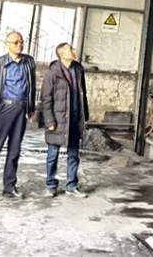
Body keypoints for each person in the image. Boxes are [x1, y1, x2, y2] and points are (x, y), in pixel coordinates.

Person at [0, 31, 36, 201]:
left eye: (22, 42)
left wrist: (30, 107)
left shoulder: (29, 61)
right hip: (4, 108)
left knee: (15, 150)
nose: (20, 45)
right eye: (16, 42)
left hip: (21, 109)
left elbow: (32, 85)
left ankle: (9, 187)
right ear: (7, 44)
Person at [40, 43, 90, 198]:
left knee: (74, 154)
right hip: (58, 120)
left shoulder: (78, 70)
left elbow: (82, 94)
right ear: (62, 55)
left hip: (74, 119)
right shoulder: (52, 73)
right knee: (52, 155)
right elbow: (46, 99)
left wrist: (84, 116)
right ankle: (51, 186)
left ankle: (72, 186)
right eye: (70, 50)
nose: (73, 51)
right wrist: (49, 121)